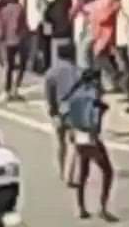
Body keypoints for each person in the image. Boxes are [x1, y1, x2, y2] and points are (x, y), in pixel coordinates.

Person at [62, 69, 117, 222]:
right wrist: (102, 112)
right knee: (108, 171)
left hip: (78, 136)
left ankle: (81, 207)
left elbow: (66, 116)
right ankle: (102, 208)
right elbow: (93, 118)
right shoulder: (93, 94)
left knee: (83, 172)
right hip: (90, 137)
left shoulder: (74, 94)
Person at [43, 42, 82, 180]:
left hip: (59, 109)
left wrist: (52, 111)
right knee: (74, 143)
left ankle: (60, 170)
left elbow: (49, 95)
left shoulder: (51, 72)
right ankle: (69, 175)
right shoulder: (78, 72)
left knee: (60, 142)